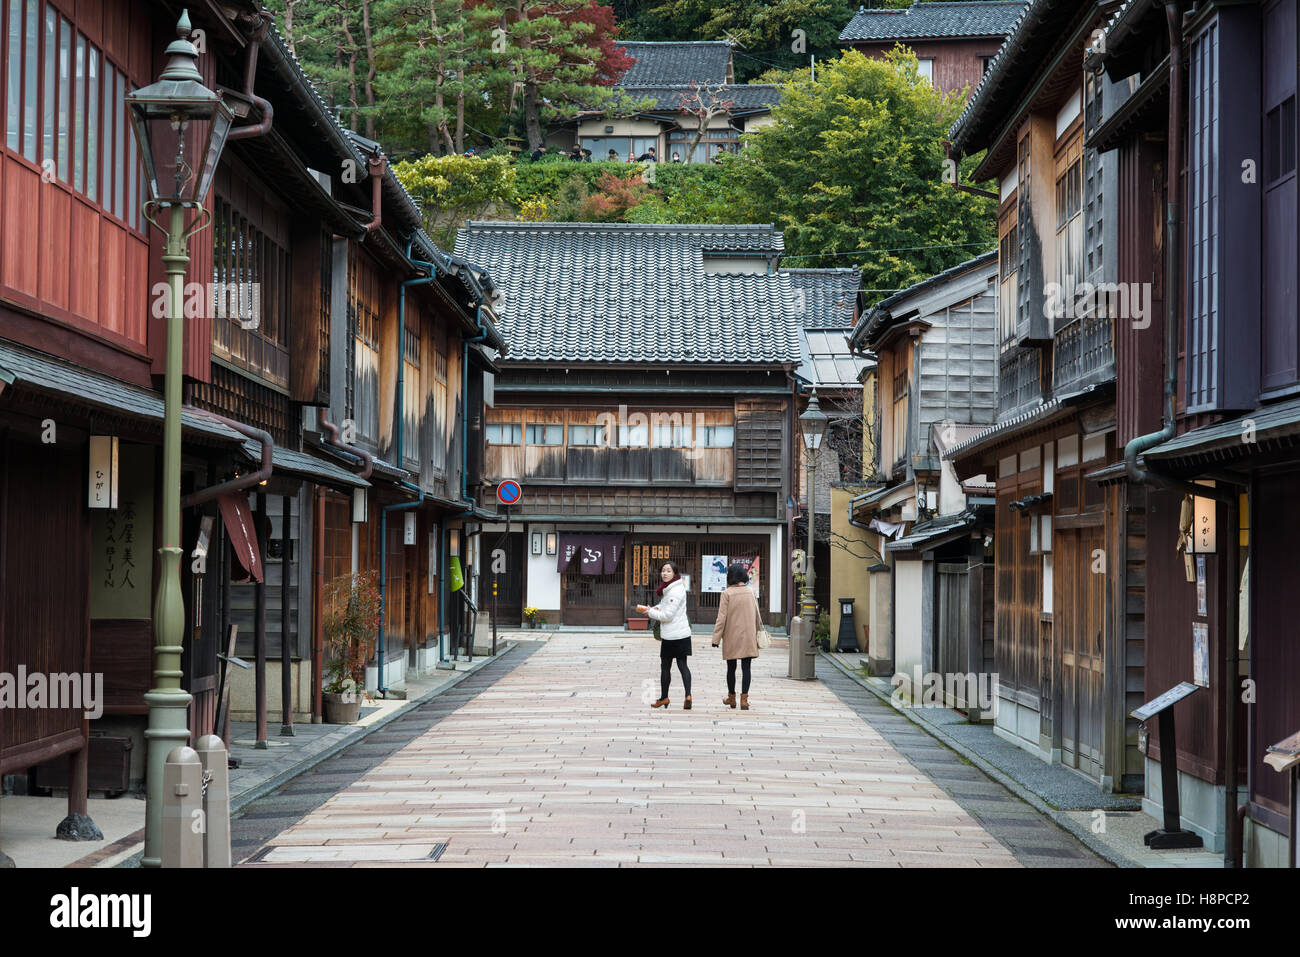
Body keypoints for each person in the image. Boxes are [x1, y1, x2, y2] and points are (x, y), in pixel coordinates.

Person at [637, 562, 692, 710]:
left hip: (672, 635)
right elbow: (665, 605)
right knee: (682, 665)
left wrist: (650, 613)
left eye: (668, 571)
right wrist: (653, 608)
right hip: (682, 634)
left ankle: (664, 697)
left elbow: (667, 615)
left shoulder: (674, 591)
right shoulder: (672, 588)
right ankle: (687, 695)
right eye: (663, 571)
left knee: (666, 667)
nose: (665, 573)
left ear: (675, 573)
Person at [711, 563, 762, 710]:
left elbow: (721, 618)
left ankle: (731, 698)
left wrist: (716, 639)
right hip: (748, 635)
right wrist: (757, 634)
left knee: (731, 668)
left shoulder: (727, 593)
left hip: (731, 635)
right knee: (747, 668)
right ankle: (744, 700)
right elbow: (757, 615)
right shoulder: (751, 592)